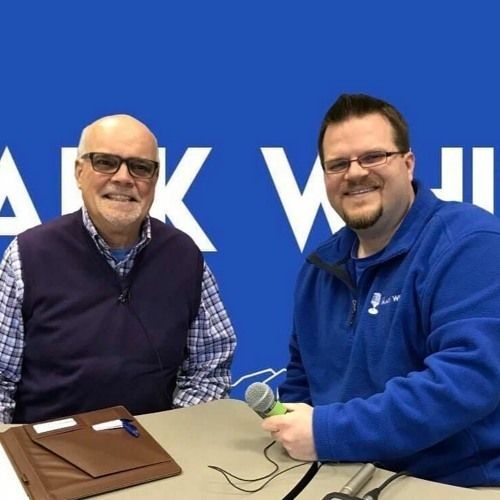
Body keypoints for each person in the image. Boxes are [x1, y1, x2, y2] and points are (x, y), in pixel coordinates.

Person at [262, 93, 500, 487]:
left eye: (373, 157)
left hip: (455, 483)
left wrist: (328, 432)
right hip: (341, 473)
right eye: (338, 164)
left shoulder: (469, 244)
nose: (354, 173)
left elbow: (468, 380)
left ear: (408, 164)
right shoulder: (318, 269)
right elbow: (301, 383)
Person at [0, 114, 236, 424]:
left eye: (140, 167)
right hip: (47, 443)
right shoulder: (28, 255)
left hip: (155, 442)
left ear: (155, 178)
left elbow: (209, 368)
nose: (124, 178)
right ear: (79, 172)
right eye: (106, 162)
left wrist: (176, 434)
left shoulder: (184, 256)